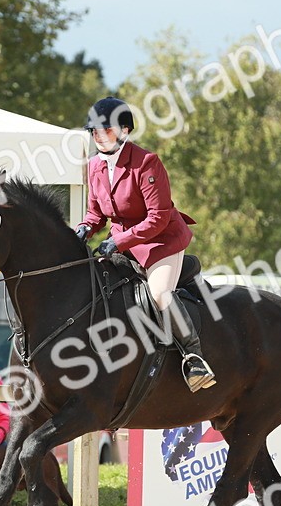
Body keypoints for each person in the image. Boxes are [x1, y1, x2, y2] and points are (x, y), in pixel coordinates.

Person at [76, 96, 215, 392]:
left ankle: (194, 357)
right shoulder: (94, 167)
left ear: (124, 131)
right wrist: (84, 228)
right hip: (123, 244)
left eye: (106, 131)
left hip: (161, 242)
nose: (99, 137)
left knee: (160, 293)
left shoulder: (146, 162)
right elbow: (96, 212)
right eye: (95, 132)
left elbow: (159, 216)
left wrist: (119, 240)